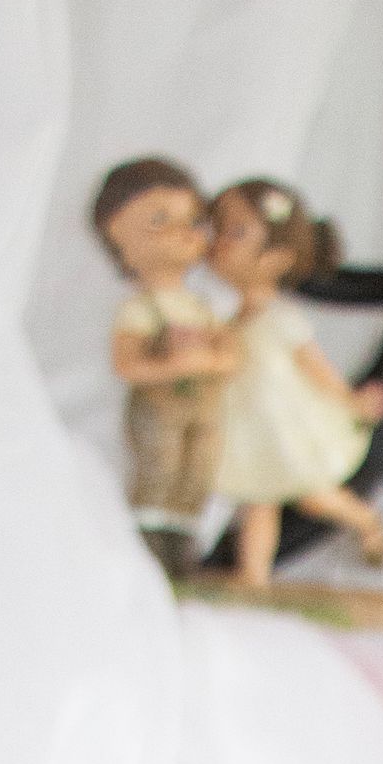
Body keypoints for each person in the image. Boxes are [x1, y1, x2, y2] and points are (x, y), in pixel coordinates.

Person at [206, 178, 383, 585]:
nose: (217, 242)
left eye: (235, 232)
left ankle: (366, 521)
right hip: (251, 428)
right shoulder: (231, 321)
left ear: (276, 259)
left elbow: (316, 369)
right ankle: (254, 578)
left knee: (313, 496)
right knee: (259, 498)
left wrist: (350, 402)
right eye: (216, 228)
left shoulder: (279, 318)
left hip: (288, 425)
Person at [90, 158, 239, 576]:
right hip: (159, 410)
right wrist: (172, 364)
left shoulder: (201, 307)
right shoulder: (139, 309)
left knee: (198, 470)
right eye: (161, 220)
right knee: (160, 466)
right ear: (118, 235)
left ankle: (182, 542)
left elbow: (231, 354)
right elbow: (127, 364)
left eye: (192, 221)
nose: (183, 232)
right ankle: (150, 542)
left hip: (203, 410)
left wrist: (210, 360)